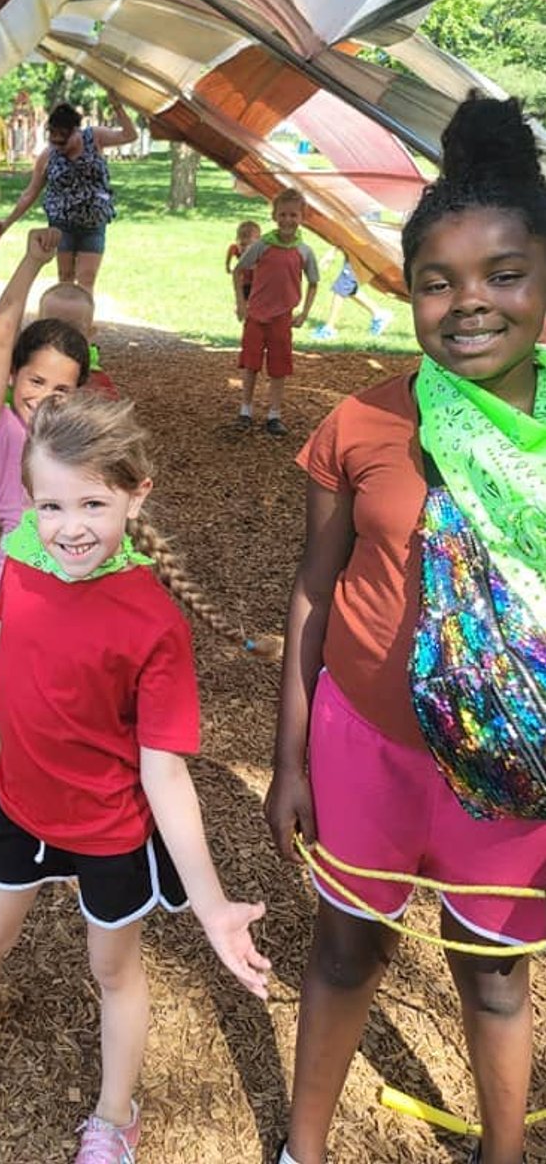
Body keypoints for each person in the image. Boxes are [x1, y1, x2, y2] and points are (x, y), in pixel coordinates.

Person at [265, 94, 546, 1164]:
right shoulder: (366, 422)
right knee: (343, 952)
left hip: (512, 766)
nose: (470, 303)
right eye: (439, 281)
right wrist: (288, 756)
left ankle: (502, 1151)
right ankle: (302, 1147)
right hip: (366, 745)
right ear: (411, 292)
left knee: (495, 970)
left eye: (504, 274)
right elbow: (313, 588)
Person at [0, 394, 272, 1163]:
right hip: (22, 810)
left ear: (136, 495)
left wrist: (211, 907)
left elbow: (166, 771)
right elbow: (3, 631)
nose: (70, 526)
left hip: (110, 831)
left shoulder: (151, 621)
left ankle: (113, 1115)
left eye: (94, 503)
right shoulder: (26, 564)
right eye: (51, 504)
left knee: (114, 968)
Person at [0, 228, 90, 625]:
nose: (44, 396)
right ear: (12, 377)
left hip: (70, 586)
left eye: (61, 388)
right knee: (14, 685)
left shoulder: (77, 437)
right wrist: (32, 262)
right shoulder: (0, 429)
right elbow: (1, 337)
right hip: (14, 584)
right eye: (35, 381)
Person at [0, 98, 137, 293]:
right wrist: (6, 224)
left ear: (75, 131)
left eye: (63, 142)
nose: (59, 147)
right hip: (62, 225)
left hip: (93, 223)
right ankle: (64, 321)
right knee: (65, 278)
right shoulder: (47, 156)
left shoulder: (94, 137)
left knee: (87, 279)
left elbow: (130, 136)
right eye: (54, 142)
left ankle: (82, 321)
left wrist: (117, 104)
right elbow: (30, 194)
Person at [234, 188, 319, 436]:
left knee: (279, 367)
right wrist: (241, 303)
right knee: (250, 364)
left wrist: (304, 313)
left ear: (301, 218)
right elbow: (239, 270)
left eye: (293, 215)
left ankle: (274, 414)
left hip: (282, 318)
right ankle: (245, 410)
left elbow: (314, 282)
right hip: (257, 316)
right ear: (274, 216)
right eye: (282, 215)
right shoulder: (262, 246)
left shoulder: (304, 251)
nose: (287, 220)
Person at [0, 280, 117, 400]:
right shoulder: (23, 360)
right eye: (51, 324)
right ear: (38, 324)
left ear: (90, 333)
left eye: (74, 328)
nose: (62, 335)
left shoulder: (95, 380)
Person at [311, 250, 392, 340]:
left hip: (363, 252)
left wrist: (332, 252)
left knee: (342, 286)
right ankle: (379, 313)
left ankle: (329, 329)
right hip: (355, 251)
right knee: (348, 286)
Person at [225, 219, 261, 303]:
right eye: (242, 244)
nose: (246, 249)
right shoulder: (235, 248)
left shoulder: (260, 252)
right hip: (244, 283)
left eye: (250, 245)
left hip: (257, 283)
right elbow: (231, 250)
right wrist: (227, 265)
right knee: (244, 300)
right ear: (237, 240)